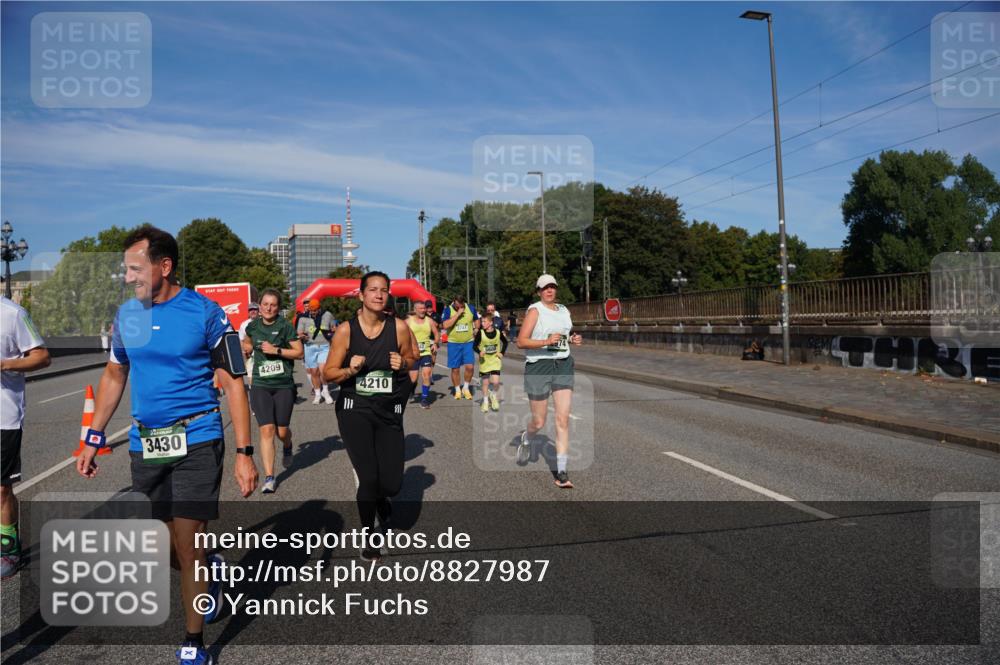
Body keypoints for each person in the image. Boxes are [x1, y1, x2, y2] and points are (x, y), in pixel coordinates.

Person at [75, 226, 258, 665]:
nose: (127, 276)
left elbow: (234, 383)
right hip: (146, 442)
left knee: (188, 540)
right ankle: (211, 571)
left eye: (135, 268)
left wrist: (244, 453)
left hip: (198, 436)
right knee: (166, 545)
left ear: (165, 266)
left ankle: (194, 643)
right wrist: (92, 437)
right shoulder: (126, 317)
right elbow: (115, 375)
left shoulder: (206, 313)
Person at [323, 271, 417, 561]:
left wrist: (403, 363)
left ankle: (381, 498)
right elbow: (328, 373)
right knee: (369, 476)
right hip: (355, 408)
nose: (379, 294)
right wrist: (350, 370)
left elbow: (415, 358)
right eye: (373, 290)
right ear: (361, 295)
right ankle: (368, 536)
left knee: (391, 484)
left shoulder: (399, 327)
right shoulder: (346, 331)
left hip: (388, 409)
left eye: (384, 290)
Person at [516, 274, 582, 489]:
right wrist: (545, 341)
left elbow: (564, 334)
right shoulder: (535, 310)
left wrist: (573, 339)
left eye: (552, 287)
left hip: (563, 364)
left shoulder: (563, 310)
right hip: (539, 366)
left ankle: (561, 471)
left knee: (562, 420)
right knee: (539, 421)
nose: (549, 291)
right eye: (545, 288)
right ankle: (527, 436)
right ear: (538, 292)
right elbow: (521, 342)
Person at [1, 297, 50, 579]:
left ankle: (8, 548)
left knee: (1, 488)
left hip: (3, 416)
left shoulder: (12, 313)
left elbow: (42, 356)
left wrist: (6, 364)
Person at [242, 290, 303, 494]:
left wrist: (277, 351)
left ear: (278, 307)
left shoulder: (285, 326)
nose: (269, 308)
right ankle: (269, 477)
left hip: (283, 384)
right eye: (265, 304)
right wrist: (246, 348)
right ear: (259, 306)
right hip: (260, 384)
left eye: (273, 305)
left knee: (281, 431)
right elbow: (247, 342)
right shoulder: (253, 326)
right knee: (266, 430)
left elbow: (299, 352)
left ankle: (287, 445)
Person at [440, 294, 479, 400]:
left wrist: (476, 329)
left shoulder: (470, 308)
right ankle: (457, 390)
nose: (460, 307)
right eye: (457, 306)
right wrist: (457, 314)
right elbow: (445, 325)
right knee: (455, 369)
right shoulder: (448, 310)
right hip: (453, 343)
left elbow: (476, 319)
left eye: (461, 305)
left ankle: (466, 388)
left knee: (470, 367)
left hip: (468, 342)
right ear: (454, 302)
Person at [297, 299, 336, 404]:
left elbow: (334, 327)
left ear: (319, 308)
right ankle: (318, 394)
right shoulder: (303, 318)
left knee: (323, 371)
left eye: (315, 310)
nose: (313, 312)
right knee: (314, 372)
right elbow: (299, 332)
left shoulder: (327, 315)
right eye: (311, 310)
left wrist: (333, 332)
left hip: (324, 346)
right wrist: (302, 335)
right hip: (310, 347)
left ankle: (326, 392)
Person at [406, 299, 438, 409]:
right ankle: (411, 389)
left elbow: (436, 333)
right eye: (420, 308)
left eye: (424, 308)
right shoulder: (408, 321)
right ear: (415, 310)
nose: (423, 310)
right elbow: (400, 332)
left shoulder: (429, 321)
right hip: (413, 354)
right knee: (413, 379)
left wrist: (436, 343)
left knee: (427, 374)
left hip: (426, 353)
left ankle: (424, 399)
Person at [473, 312, 507, 413]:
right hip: (485, 361)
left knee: (496, 382)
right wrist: (480, 352)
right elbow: (474, 346)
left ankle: (493, 395)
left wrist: (502, 352)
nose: (482, 323)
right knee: (485, 383)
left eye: (484, 321)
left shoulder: (497, 332)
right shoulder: (480, 333)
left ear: (491, 322)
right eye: (481, 321)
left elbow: (505, 342)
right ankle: (485, 401)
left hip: (495, 360)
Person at [237, 302, 260, 385]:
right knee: (250, 374)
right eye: (251, 310)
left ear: (258, 311)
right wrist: (244, 352)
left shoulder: (264, 322)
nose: (253, 311)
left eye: (255, 309)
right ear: (248, 312)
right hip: (250, 354)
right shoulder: (244, 324)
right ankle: (253, 392)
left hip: (263, 353)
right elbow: (241, 340)